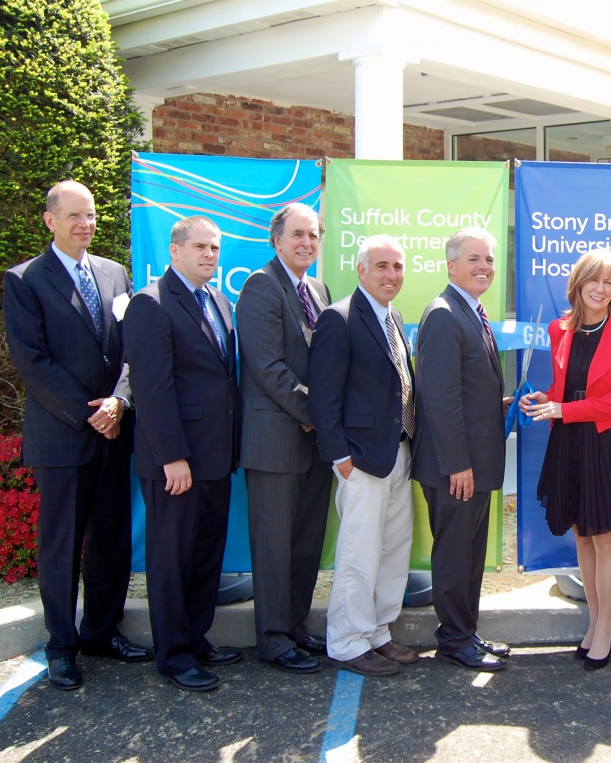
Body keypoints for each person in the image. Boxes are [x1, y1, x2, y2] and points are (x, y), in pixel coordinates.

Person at [2, 180, 153, 691]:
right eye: (73, 216)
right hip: (64, 437)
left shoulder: (114, 273)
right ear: (51, 221)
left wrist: (120, 401)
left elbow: (132, 347)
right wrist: (88, 413)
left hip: (114, 430)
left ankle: (102, 631)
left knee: (110, 540)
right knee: (62, 544)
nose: (85, 224)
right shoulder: (24, 280)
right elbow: (33, 361)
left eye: (89, 215)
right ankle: (62, 645)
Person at [123, 216, 242, 692]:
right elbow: (152, 390)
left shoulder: (217, 300)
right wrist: (173, 456)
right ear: (174, 252)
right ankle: (174, 655)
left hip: (215, 456)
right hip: (176, 461)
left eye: (215, 247)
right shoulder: (150, 305)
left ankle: (196, 637)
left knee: (206, 555)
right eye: (200, 247)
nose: (210, 255)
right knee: (172, 560)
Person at [519, 249, 611, 671]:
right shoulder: (561, 329)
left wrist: (564, 410)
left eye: (608, 283)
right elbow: (565, 387)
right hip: (570, 441)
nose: (600, 289)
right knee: (581, 536)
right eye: (593, 280)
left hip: (606, 443)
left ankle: (604, 626)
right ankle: (595, 623)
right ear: (578, 285)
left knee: (606, 539)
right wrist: (546, 400)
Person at [308, 235, 419, 677]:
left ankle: (378, 632)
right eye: (382, 266)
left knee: (394, 549)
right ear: (361, 270)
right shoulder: (339, 319)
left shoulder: (394, 317)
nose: (391, 275)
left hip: (399, 452)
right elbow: (324, 394)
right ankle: (348, 641)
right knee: (359, 552)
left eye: (397, 267)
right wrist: (340, 458)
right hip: (361, 460)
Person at [237, 203, 333, 674]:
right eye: (297, 234)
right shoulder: (262, 286)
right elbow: (267, 366)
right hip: (276, 442)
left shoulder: (317, 288)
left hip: (314, 442)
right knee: (274, 545)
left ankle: (295, 625)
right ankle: (273, 639)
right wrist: (317, 413)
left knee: (304, 541)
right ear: (277, 240)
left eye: (313, 235)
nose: (306, 243)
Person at [412, 227, 512, 672]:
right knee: (454, 555)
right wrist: (457, 464)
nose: (484, 267)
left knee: (470, 555)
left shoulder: (470, 311)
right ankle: (453, 640)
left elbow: (464, 389)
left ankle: (466, 632)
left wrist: (499, 403)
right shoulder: (443, 314)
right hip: (456, 468)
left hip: (474, 463)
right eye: (474, 259)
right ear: (451, 265)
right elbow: (439, 398)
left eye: (489, 259)